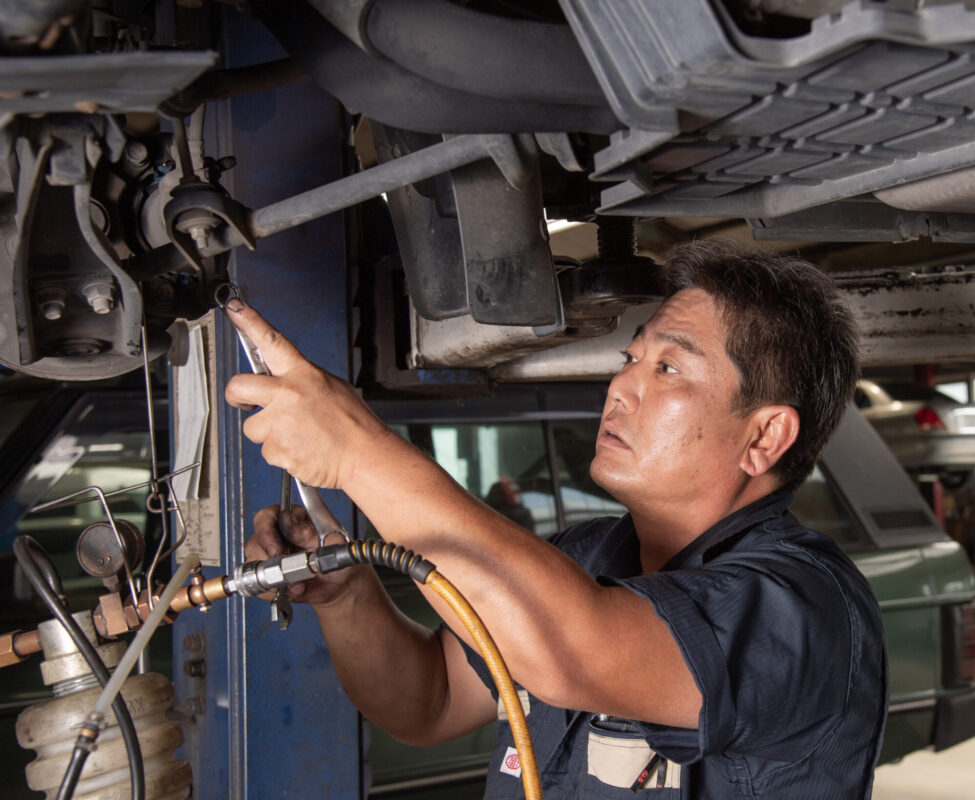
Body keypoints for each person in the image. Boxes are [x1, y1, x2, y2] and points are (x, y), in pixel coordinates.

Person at [225, 239, 887, 798]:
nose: (622, 387)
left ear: (766, 437)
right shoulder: (584, 559)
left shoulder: (802, 608)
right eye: (632, 358)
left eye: (668, 368)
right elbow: (425, 701)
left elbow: (573, 650)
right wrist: (346, 595)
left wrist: (357, 452)